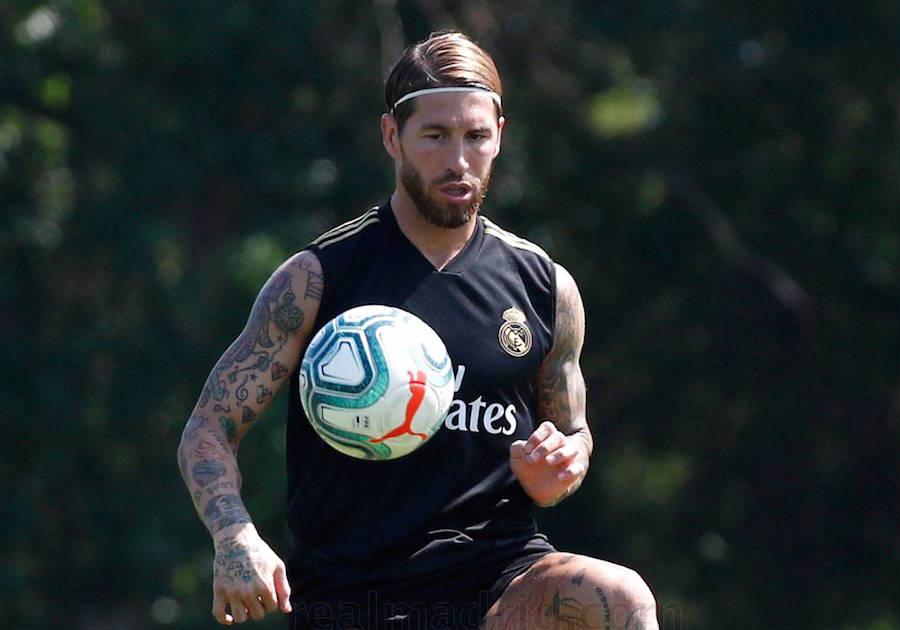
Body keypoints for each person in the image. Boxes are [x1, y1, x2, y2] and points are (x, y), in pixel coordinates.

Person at [177, 31, 658, 630]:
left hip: (499, 581)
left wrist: (561, 463)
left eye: (475, 137)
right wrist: (234, 535)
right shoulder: (318, 279)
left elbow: (575, 432)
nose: (458, 160)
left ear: (499, 136)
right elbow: (208, 429)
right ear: (391, 137)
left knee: (620, 598)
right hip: (353, 598)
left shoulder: (544, 287)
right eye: (435, 136)